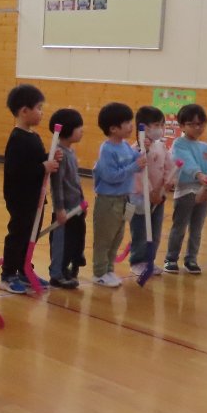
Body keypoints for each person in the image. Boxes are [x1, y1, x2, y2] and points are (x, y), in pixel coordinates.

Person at [1, 85, 59, 295]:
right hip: (20, 198)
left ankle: (24, 268)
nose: (42, 112)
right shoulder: (17, 139)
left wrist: (49, 158)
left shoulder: (33, 136)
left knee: (30, 235)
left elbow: (36, 160)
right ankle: (7, 275)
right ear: (24, 111)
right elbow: (18, 171)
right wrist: (43, 166)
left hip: (35, 196)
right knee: (18, 235)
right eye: (39, 108)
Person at [91, 103, 142, 288]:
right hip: (108, 201)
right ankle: (99, 272)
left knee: (117, 237)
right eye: (127, 122)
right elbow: (111, 176)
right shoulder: (107, 149)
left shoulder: (126, 146)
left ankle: (109, 269)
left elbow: (135, 161)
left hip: (124, 199)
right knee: (105, 238)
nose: (131, 126)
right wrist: (135, 166)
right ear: (113, 128)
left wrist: (141, 153)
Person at [164, 104, 207, 275]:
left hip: (203, 192)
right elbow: (185, 161)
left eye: (200, 124)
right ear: (182, 126)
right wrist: (198, 175)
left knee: (197, 228)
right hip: (185, 192)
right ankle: (171, 258)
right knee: (179, 227)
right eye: (191, 124)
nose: (197, 128)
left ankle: (191, 259)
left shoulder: (206, 148)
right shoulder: (179, 143)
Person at [128, 106, 177, 279]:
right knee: (141, 230)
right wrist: (150, 192)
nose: (160, 129)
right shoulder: (136, 150)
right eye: (156, 125)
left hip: (158, 197)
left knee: (155, 231)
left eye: (162, 125)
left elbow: (169, 166)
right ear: (144, 127)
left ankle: (149, 260)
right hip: (140, 197)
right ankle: (137, 261)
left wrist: (168, 183)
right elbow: (139, 174)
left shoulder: (161, 146)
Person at [47, 107, 86, 289]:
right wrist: (59, 208)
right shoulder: (59, 154)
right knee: (61, 244)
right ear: (68, 129)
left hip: (76, 207)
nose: (82, 130)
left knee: (73, 242)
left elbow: (75, 181)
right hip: (64, 210)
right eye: (79, 127)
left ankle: (68, 267)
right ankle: (57, 274)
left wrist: (82, 201)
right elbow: (57, 185)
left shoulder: (70, 151)